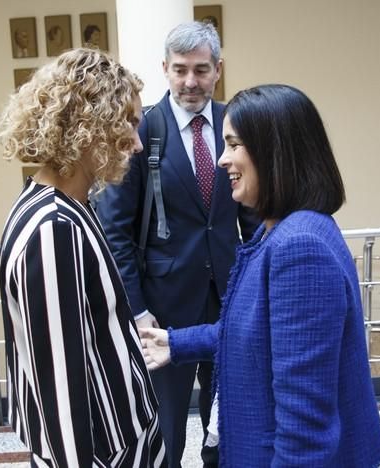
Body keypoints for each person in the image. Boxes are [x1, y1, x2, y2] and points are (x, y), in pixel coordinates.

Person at [139, 84, 380, 467]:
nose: (223, 160)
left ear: (275, 153)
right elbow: (255, 332)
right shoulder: (278, 230)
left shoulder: (300, 248)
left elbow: (305, 430)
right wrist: (176, 344)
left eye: (234, 145)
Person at [95, 21, 258, 468]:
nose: (191, 81)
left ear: (218, 69)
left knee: (228, 421)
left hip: (229, 300)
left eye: (202, 70)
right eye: (181, 69)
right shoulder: (141, 130)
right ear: (164, 69)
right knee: (166, 430)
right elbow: (115, 233)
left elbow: (251, 214)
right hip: (162, 312)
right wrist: (139, 310)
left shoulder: (236, 123)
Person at [0, 48, 166, 468]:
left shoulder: (60, 205)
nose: (137, 142)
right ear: (88, 123)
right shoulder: (53, 227)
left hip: (120, 440)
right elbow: (59, 383)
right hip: (109, 452)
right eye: (126, 121)